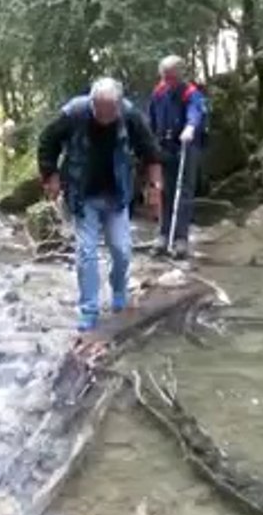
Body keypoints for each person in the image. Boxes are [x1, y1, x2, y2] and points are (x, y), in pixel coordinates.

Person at [38, 77, 163, 333]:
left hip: (117, 196)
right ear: (92, 102)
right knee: (86, 252)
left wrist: (155, 189)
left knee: (122, 249)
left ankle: (118, 289)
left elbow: (151, 153)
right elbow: (47, 142)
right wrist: (50, 176)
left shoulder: (130, 117)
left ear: (118, 105)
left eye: (109, 110)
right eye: (99, 109)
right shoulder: (75, 113)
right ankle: (89, 309)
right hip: (83, 196)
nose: (103, 115)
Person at [147, 54, 207, 259]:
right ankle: (163, 234)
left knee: (184, 192)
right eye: (164, 76)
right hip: (165, 145)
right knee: (165, 191)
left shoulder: (191, 93)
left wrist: (190, 128)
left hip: (186, 146)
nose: (167, 81)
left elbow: (196, 113)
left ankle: (181, 238)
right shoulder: (159, 92)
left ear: (180, 75)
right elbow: (152, 118)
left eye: (170, 77)